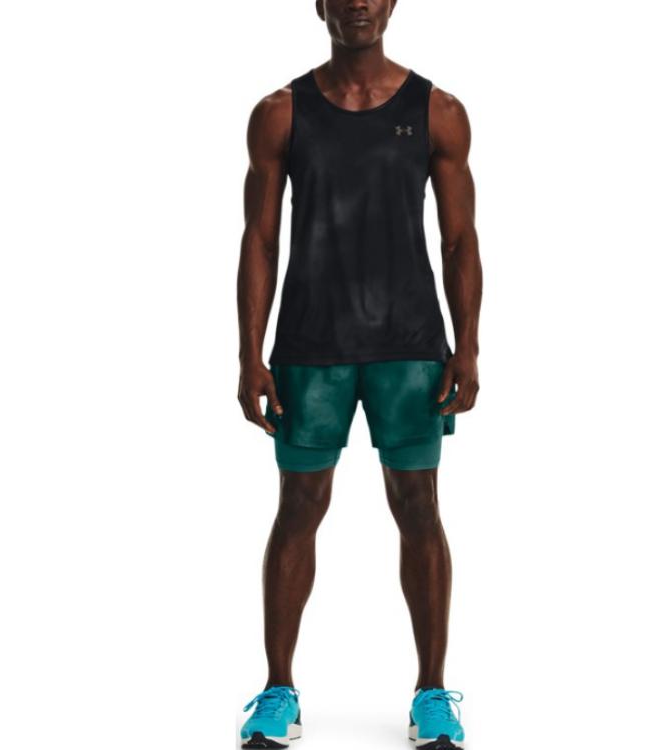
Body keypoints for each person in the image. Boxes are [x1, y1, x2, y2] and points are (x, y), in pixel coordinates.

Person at [236, 2, 482, 748]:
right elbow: (259, 239)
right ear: (320, 4)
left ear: (393, 2)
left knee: (419, 508)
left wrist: (468, 348)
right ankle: (278, 692)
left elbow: (460, 239)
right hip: (311, 347)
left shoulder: (437, 111)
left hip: (409, 347)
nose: (358, 4)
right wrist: (250, 354)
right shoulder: (281, 113)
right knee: (298, 508)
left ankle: (432, 693)